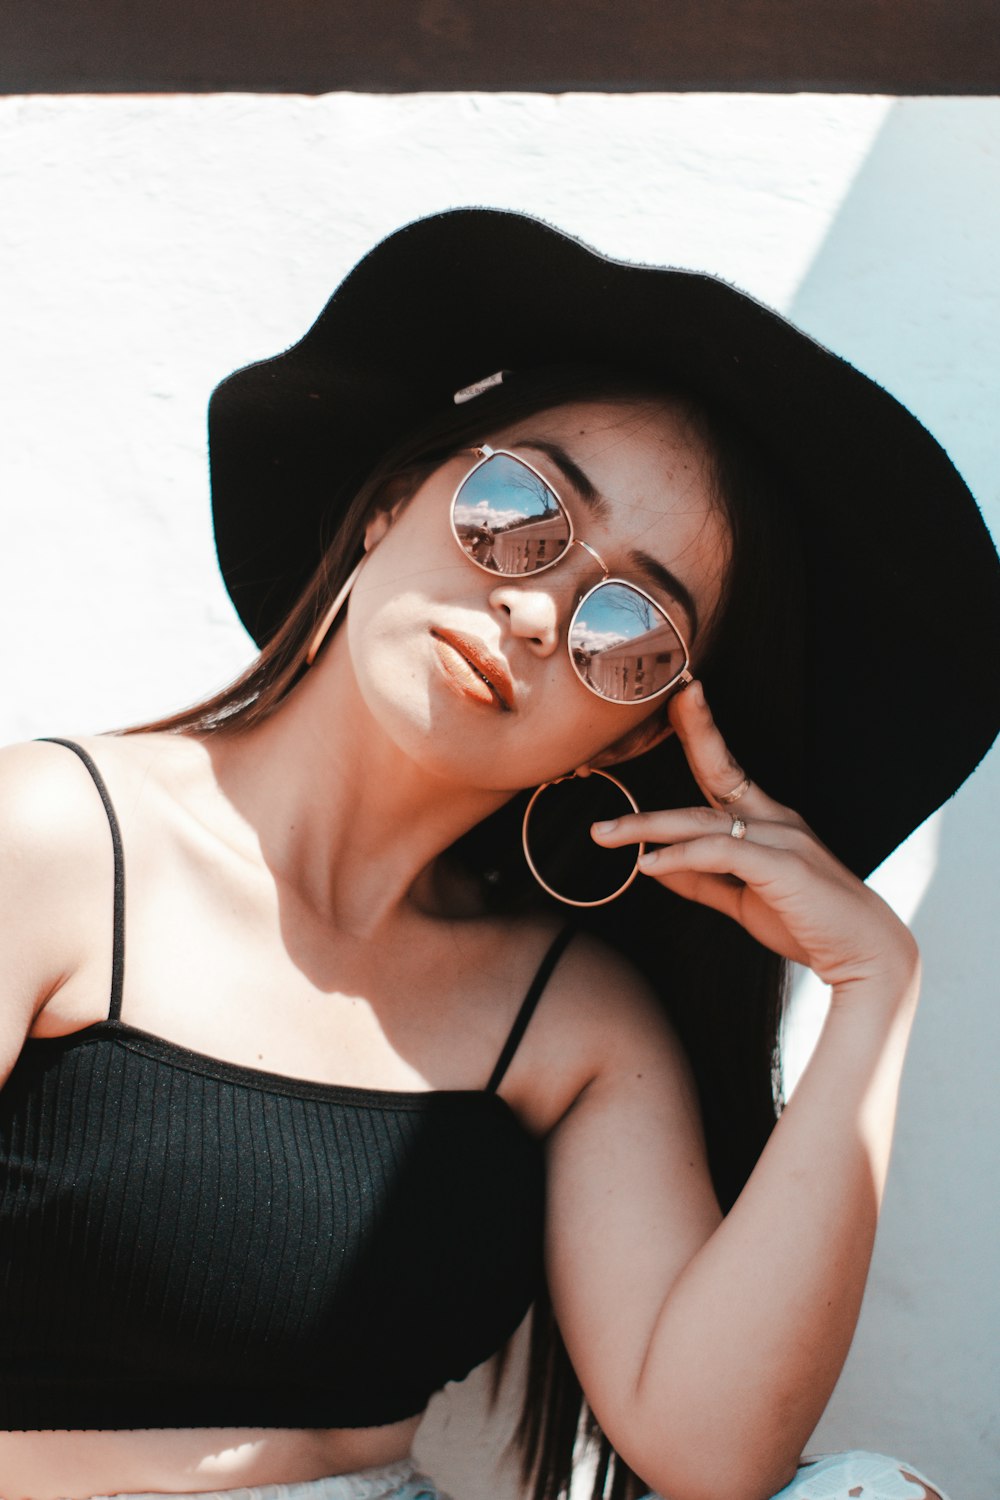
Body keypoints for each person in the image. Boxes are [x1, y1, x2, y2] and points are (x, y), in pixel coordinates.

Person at [1, 208, 998, 1500]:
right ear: (389, 503)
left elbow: (712, 1451)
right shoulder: (54, 843)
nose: (534, 607)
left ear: (636, 732)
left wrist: (876, 989)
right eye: (517, 507)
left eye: (628, 626)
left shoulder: (572, 1026)